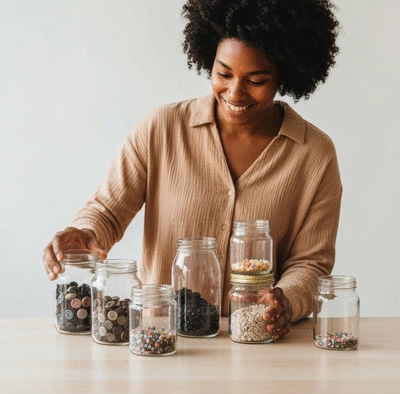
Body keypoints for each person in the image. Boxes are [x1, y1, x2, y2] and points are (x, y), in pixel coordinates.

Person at [43, 0, 341, 341]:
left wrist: (287, 300)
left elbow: (311, 263)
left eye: (256, 80)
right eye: (223, 73)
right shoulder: (161, 129)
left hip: (258, 342)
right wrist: (84, 233)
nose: (235, 92)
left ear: (286, 73)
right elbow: (108, 210)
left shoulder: (315, 154)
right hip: (162, 337)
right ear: (208, 61)